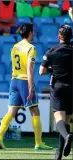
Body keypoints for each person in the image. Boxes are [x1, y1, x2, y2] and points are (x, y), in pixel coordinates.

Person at [0, 23, 53, 150]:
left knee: (11, 112)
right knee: (35, 111)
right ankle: (38, 142)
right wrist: (31, 86)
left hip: (14, 81)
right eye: (33, 31)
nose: (34, 33)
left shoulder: (15, 47)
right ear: (30, 32)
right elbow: (30, 69)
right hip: (25, 82)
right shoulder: (31, 48)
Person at [39, 24, 73, 160]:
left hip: (57, 86)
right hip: (72, 87)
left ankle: (66, 137)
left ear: (59, 37)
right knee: (68, 120)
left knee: (59, 119)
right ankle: (59, 152)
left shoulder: (51, 51)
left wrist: (53, 68)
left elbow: (41, 71)